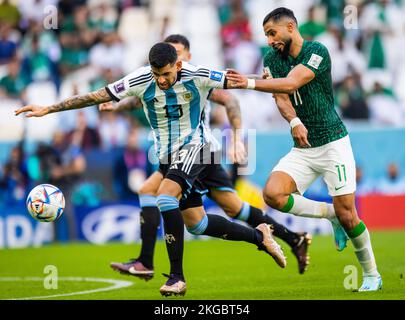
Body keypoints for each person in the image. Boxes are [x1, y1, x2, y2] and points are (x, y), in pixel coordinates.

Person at [15, 42, 287, 297]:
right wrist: (48, 109)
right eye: (157, 74)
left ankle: (176, 278)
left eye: (166, 74)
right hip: (169, 155)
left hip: (199, 147)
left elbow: (235, 81)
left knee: (165, 196)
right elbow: (96, 96)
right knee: (198, 224)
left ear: (178, 66)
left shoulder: (197, 74)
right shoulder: (140, 79)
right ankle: (259, 236)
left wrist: (263, 80)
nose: (161, 80)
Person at [103, 34, 311, 279]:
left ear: (186, 58)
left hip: (198, 153)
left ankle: (152, 264)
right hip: (182, 154)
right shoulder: (163, 82)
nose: (174, 58)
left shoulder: (194, 80)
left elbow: (230, 99)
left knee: (165, 199)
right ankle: (292, 238)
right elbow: (139, 99)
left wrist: (235, 137)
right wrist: (116, 105)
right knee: (235, 208)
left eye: (178, 53)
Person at [226, 7, 382, 292]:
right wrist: (295, 121)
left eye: (272, 33)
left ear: (290, 27)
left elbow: (292, 82)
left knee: (349, 214)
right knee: (272, 193)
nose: (270, 40)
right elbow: (280, 95)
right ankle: (329, 213)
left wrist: (248, 82)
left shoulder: (317, 50)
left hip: (333, 142)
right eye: (266, 35)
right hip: (304, 146)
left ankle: (372, 273)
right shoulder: (272, 57)